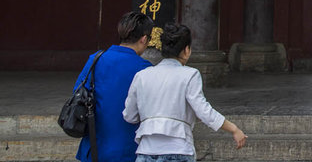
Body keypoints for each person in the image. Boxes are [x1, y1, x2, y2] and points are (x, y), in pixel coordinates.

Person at [123, 22, 246, 160]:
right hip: (178, 149)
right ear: (186, 50)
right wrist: (234, 129)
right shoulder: (190, 75)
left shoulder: (142, 76)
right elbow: (203, 111)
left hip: (146, 151)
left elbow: (129, 115)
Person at [73, 11, 154, 162]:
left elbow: (78, 93)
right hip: (129, 148)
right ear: (144, 39)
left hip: (94, 147)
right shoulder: (145, 68)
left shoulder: (96, 59)